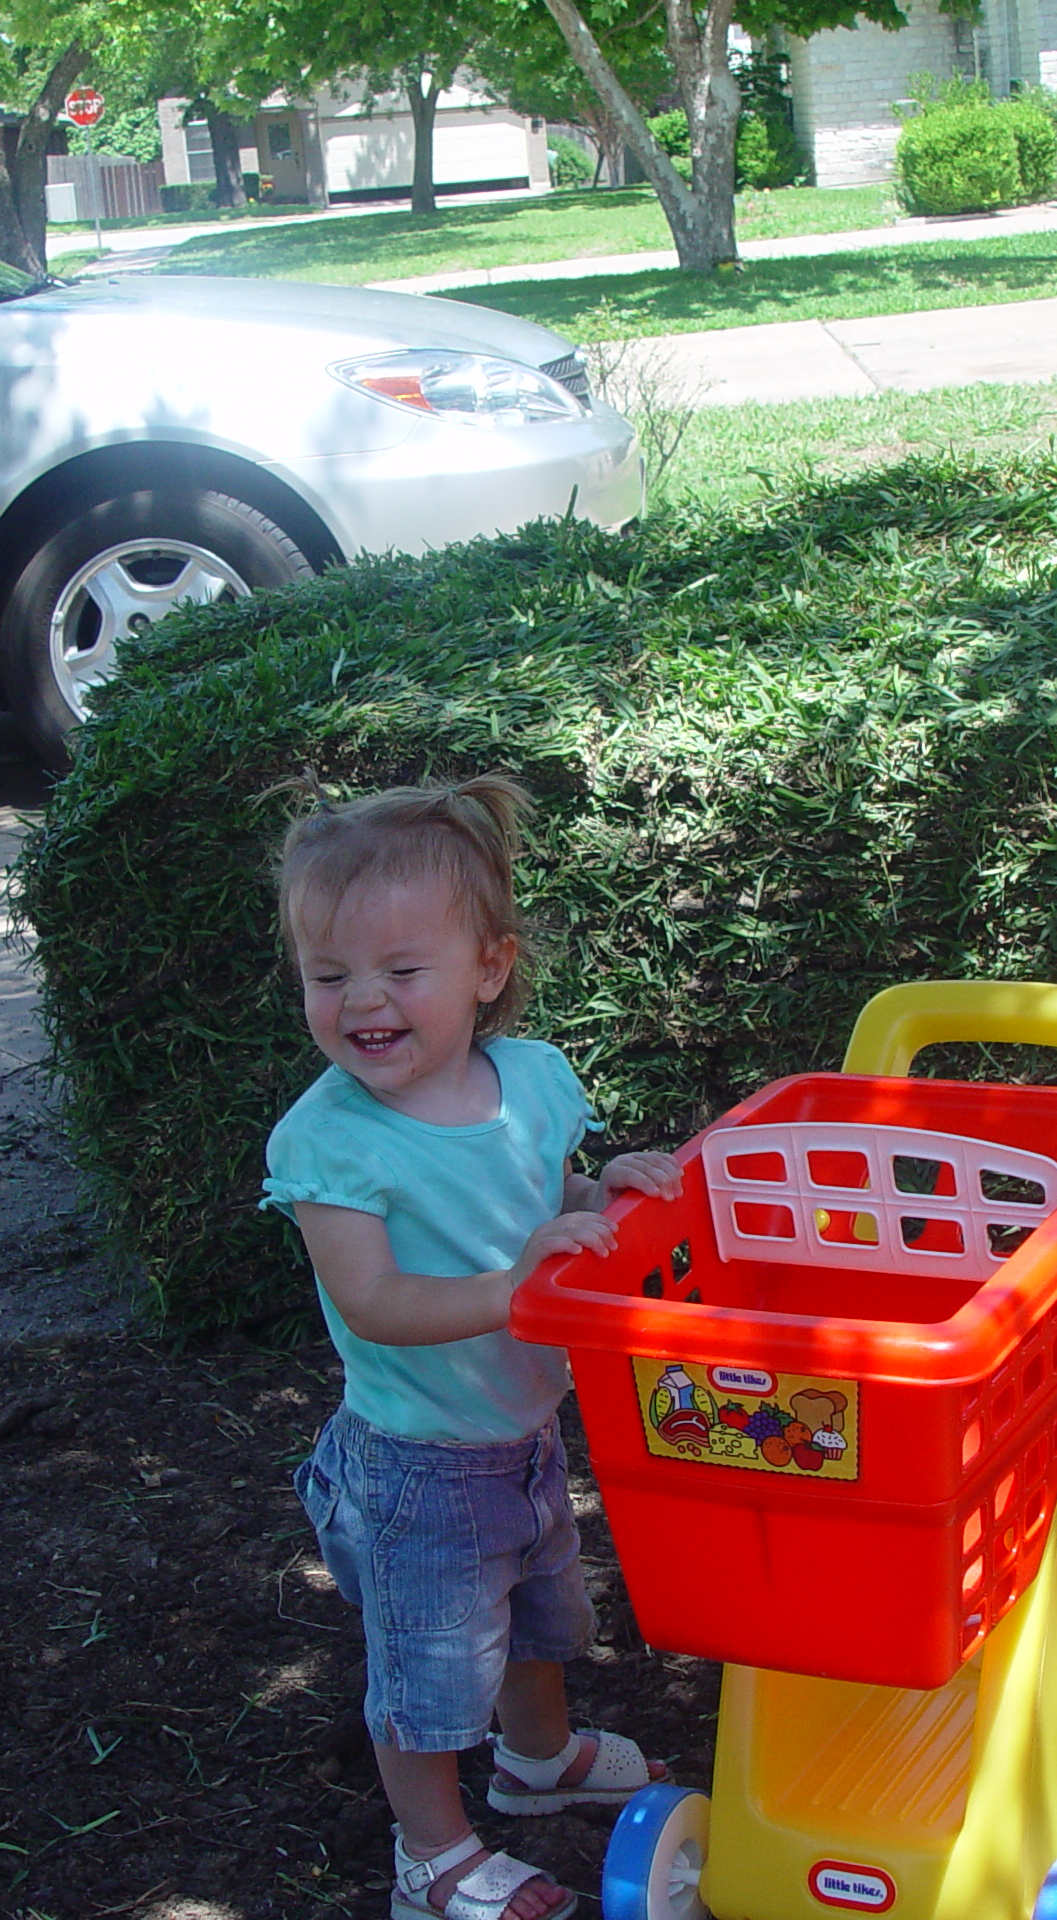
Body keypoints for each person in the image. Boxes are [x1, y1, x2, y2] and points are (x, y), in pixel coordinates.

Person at [262, 775, 683, 1920]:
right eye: (330, 975)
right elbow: (376, 1303)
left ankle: (535, 1766)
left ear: (487, 969)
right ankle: (432, 1856)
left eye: (401, 972)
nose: (364, 1002)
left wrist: (611, 1187)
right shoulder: (328, 1142)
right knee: (428, 1680)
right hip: (416, 1465)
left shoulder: (534, 1081)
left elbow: (549, 1198)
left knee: (542, 1617)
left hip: (521, 1433)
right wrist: (513, 1285)